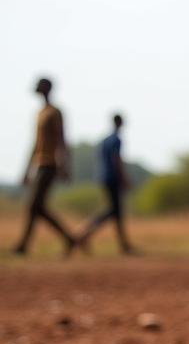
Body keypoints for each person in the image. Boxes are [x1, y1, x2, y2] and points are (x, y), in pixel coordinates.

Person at [12, 78, 76, 257]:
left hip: (50, 164)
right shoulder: (40, 112)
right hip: (39, 163)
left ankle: (23, 246)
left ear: (46, 88)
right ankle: (69, 239)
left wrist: (64, 165)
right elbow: (35, 143)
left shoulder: (55, 113)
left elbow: (61, 140)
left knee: (34, 206)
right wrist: (26, 169)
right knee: (38, 208)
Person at [79, 113, 135, 254]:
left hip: (104, 178)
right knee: (113, 211)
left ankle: (124, 245)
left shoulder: (104, 140)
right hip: (113, 178)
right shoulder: (116, 140)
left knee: (115, 212)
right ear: (120, 123)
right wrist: (123, 179)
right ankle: (84, 233)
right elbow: (116, 161)